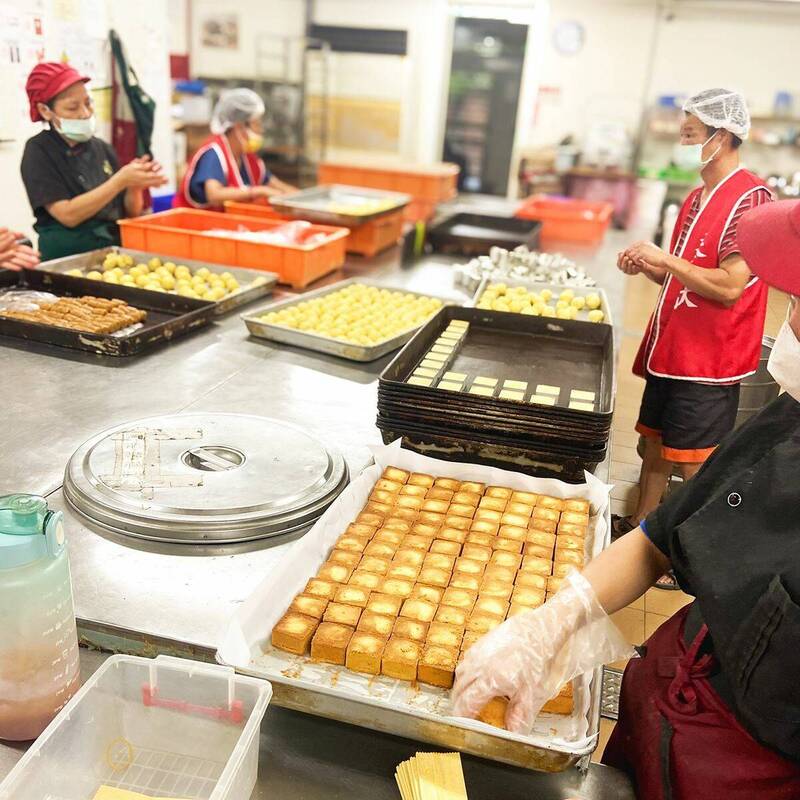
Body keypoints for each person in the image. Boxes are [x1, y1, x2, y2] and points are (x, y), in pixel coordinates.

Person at [452, 199, 800, 798]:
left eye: (799, 303)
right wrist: (550, 623)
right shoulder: (790, 418)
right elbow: (659, 538)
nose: (786, 321)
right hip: (663, 703)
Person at [612, 89, 773, 568]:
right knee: (654, 445)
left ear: (721, 137)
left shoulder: (751, 201)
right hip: (675, 348)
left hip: (709, 358)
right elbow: (680, 272)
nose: (684, 142)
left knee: (693, 460)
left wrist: (666, 259)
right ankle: (642, 529)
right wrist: (648, 265)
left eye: (691, 133)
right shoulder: (697, 196)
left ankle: (681, 554)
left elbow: (728, 287)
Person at [20, 62, 167, 261]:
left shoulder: (102, 148)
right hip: (65, 260)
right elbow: (68, 215)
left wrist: (135, 186)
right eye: (73, 107)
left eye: (88, 103)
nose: (85, 113)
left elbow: (130, 212)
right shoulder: (39, 150)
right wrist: (118, 182)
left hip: (112, 254)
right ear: (45, 111)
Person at [173, 88, 296, 210]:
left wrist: (300, 198)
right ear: (239, 127)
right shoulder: (214, 153)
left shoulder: (248, 158)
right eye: (257, 124)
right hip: (195, 224)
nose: (261, 130)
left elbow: (277, 186)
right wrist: (258, 191)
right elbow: (214, 194)